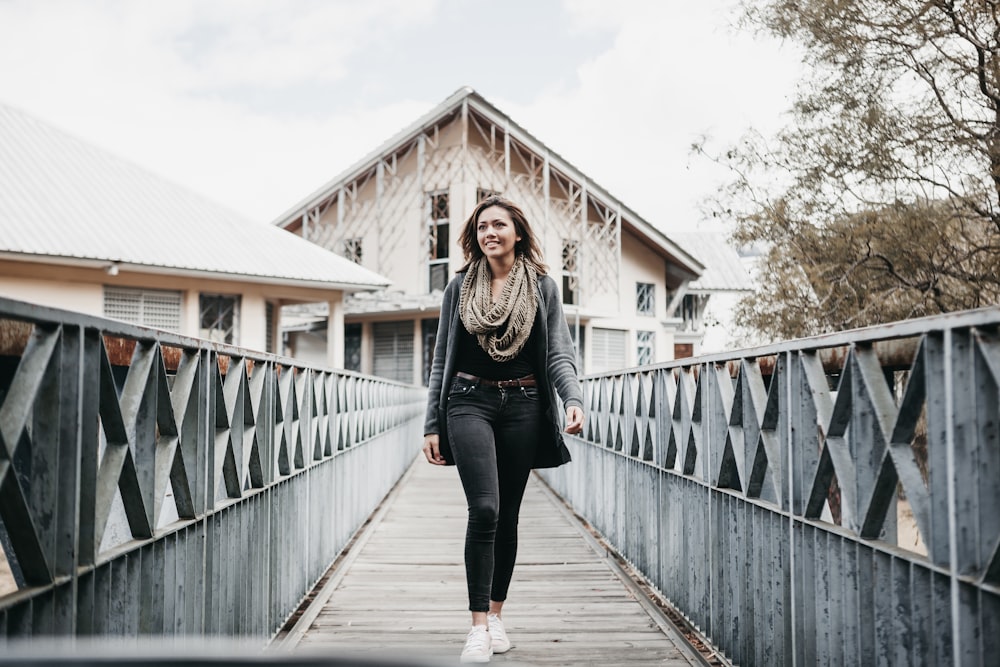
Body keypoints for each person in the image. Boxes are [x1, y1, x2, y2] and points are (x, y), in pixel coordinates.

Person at [422, 194, 585, 663]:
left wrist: (572, 398)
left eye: (499, 225)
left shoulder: (541, 287)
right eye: (481, 227)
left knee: (509, 512)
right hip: (468, 400)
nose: (489, 233)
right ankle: (476, 626)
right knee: (486, 509)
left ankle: (495, 615)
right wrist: (432, 422)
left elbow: (558, 353)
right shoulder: (458, 288)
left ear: (517, 232)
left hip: (525, 403)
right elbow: (440, 359)